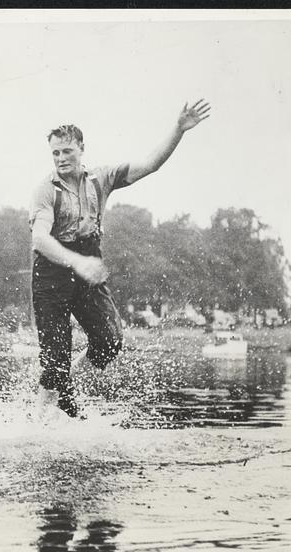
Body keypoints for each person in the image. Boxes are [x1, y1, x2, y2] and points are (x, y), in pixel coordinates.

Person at [30, 100, 210, 417]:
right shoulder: (46, 190)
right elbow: (40, 239)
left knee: (110, 342)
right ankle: (39, 421)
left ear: (81, 149)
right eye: (55, 153)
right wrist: (76, 262)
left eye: (67, 151)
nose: (60, 159)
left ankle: (66, 391)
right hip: (51, 273)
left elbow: (150, 165)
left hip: (88, 267)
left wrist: (179, 130)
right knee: (55, 359)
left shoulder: (101, 178)